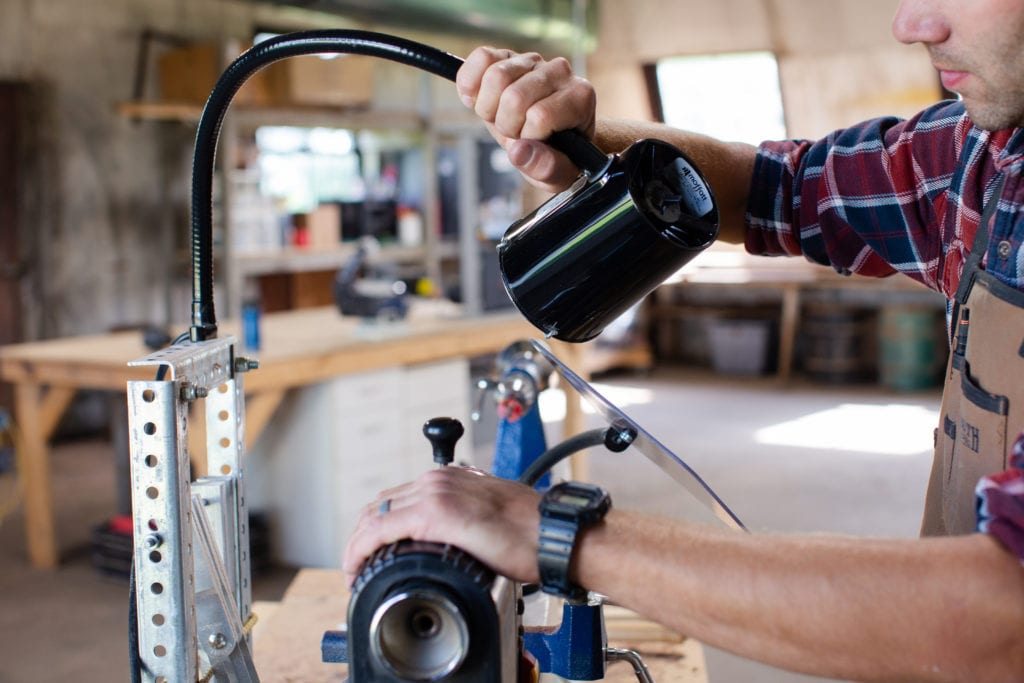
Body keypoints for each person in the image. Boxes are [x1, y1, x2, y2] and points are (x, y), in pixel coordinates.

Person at [344, 0, 1024, 679]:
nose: (912, 25)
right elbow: (774, 187)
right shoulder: (984, 153)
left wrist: (555, 534)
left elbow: (1000, 615)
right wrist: (585, 142)